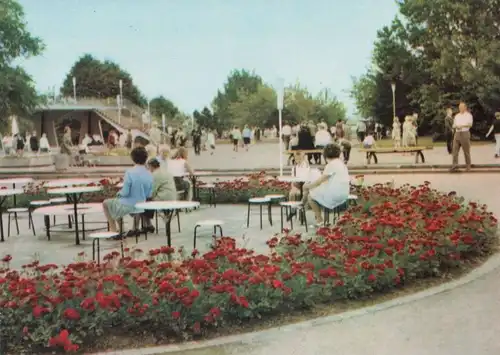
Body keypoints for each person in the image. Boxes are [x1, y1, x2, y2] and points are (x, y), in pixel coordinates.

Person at [102, 147, 153, 234]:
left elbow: (125, 192)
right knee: (115, 203)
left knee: (106, 203)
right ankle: (120, 229)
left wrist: (119, 193)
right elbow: (149, 194)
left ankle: (113, 230)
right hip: (142, 204)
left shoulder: (130, 172)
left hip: (130, 204)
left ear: (133, 159)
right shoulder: (149, 173)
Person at [304, 144, 350, 226]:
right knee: (315, 192)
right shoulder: (342, 164)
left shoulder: (331, 165)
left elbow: (319, 181)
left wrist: (308, 186)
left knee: (310, 196)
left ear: (325, 155)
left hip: (335, 194)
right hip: (345, 194)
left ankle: (319, 220)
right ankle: (305, 207)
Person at [141, 158, 177, 233]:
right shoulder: (165, 171)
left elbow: (152, 191)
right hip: (173, 196)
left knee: (143, 202)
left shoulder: (155, 175)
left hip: (163, 197)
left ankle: (147, 224)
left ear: (151, 166)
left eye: (148, 167)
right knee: (146, 200)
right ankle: (148, 224)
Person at [451, 102, 473, 172]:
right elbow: (453, 125)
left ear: (465, 107)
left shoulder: (468, 115)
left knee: (466, 151)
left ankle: (468, 165)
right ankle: (455, 165)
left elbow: (470, 124)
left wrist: (462, 126)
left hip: (465, 133)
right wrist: (456, 126)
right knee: (454, 150)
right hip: (457, 133)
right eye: (459, 107)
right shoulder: (457, 116)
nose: (460, 108)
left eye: (462, 107)